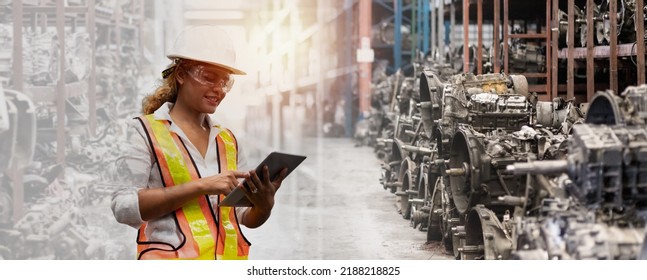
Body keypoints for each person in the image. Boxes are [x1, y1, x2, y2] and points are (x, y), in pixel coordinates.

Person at [111, 25, 287, 260]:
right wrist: (202, 185)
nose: (219, 90)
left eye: (225, 82)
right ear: (182, 74)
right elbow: (123, 207)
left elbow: (243, 216)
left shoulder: (228, 141)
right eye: (209, 78)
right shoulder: (144, 131)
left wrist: (264, 205)